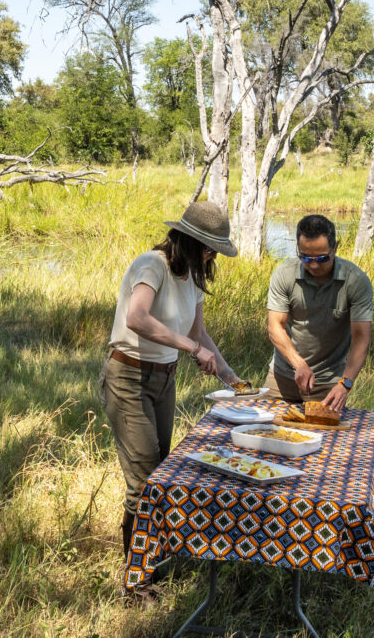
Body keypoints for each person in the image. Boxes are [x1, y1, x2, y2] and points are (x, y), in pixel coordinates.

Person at [99, 201, 243, 565]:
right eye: (209, 250)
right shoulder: (152, 265)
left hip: (164, 378)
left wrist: (230, 376)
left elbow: (200, 333)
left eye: (216, 252)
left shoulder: (191, 277)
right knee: (145, 481)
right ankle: (137, 576)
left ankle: (156, 555)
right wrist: (190, 347)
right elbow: (136, 318)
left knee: (162, 472)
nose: (212, 259)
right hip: (129, 376)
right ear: (190, 242)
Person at [265, 214, 373, 410]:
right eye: (305, 257)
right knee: (264, 434)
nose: (314, 265)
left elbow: (361, 338)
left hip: (328, 384)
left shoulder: (356, 281)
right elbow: (275, 327)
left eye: (322, 258)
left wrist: (345, 384)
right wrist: (299, 364)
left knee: (323, 440)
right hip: (281, 379)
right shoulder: (284, 275)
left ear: (335, 247)